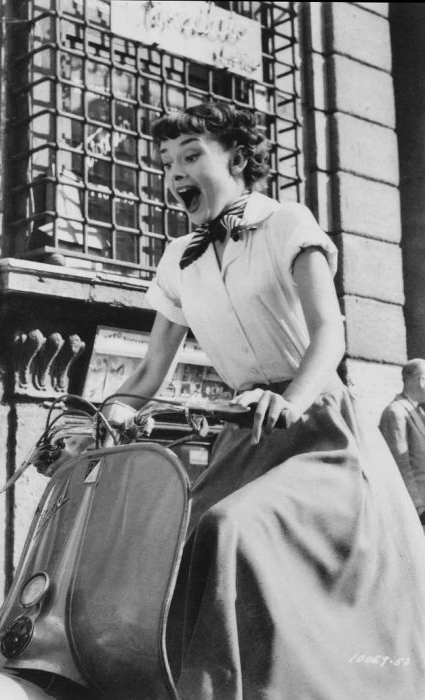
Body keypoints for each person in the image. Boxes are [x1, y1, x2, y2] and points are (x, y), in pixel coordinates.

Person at [103, 102, 425, 699]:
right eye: (167, 162)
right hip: (244, 431)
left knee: (231, 526)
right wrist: (106, 413)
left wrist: (294, 399)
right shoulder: (178, 258)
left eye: (192, 156)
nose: (175, 172)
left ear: (239, 158)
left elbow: (330, 332)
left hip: (320, 428)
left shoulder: (287, 223)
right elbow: (150, 368)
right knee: (170, 538)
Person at [379, 358, 425, 524]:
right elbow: (401, 466)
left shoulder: (417, 411)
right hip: (416, 510)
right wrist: (418, 508)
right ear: (420, 380)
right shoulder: (396, 413)